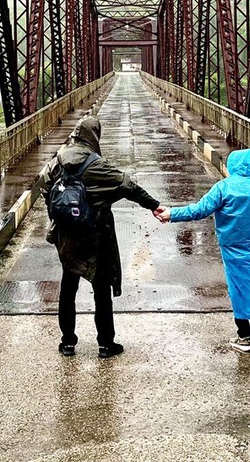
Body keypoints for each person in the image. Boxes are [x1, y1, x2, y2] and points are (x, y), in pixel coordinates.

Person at [35, 114, 162, 359]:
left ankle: (68, 343)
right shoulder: (96, 165)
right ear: (95, 136)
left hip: (67, 237)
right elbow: (128, 186)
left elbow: (44, 186)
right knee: (101, 291)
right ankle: (106, 344)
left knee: (67, 290)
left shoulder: (58, 160)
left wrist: (61, 212)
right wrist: (153, 205)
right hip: (96, 236)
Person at [156, 145, 250, 355]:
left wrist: (172, 214)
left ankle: (243, 336)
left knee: (238, 289)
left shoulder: (223, 188)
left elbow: (199, 210)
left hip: (232, 249)